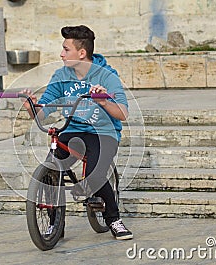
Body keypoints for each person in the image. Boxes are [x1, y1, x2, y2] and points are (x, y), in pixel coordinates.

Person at [21, 25, 133, 240]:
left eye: (66, 49)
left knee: (95, 174)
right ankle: (55, 223)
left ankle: (114, 219)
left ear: (81, 53)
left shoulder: (106, 75)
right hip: (73, 131)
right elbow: (42, 114)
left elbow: (123, 113)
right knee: (50, 173)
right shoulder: (61, 75)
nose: (61, 54)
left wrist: (104, 100)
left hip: (103, 134)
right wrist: (31, 107)